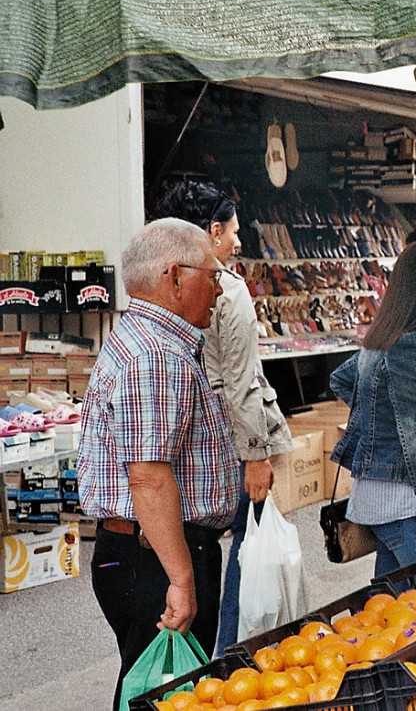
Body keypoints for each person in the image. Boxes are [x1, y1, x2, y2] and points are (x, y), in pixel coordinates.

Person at [78, 219, 238, 709]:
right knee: (166, 696)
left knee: (154, 687)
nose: (219, 289)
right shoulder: (156, 356)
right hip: (154, 556)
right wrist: (182, 579)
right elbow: (148, 476)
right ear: (174, 277)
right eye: (212, 275)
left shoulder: (150, 340)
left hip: (150, 552)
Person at [153, 181, 295, 655]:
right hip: (229, 445)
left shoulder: (158, 283)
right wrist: (256, 456)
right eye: (233, 231)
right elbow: (241, 384)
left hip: (183, 447)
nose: (238, 242)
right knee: (240, 561)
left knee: (195, 552)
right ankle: (231, 657)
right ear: (213, 231)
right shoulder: (227, 291)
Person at [329, 239, 416, 576]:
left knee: (393, 613)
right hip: (406, 506)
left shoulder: (386, 337)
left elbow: (342, 379)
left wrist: (381, 423)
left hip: (382, 503)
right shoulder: (410, 347)